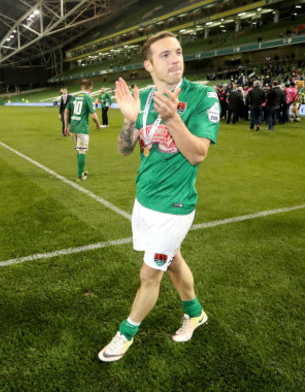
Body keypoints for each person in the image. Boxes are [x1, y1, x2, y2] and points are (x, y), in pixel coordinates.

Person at [98, 31, 219, 362]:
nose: (176, 59)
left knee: (149, 275)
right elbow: (125, 149)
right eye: (165, 55)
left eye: (178, 52)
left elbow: (197, 155)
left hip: (175, 206)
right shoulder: (146, 98)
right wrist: (129, 121)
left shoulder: (203, 96)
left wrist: (173, 118)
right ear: (148, 64)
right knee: (173, 260)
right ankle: (195, 313)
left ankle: (126, 332)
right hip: (145, 200)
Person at [64, 79, 100, 182]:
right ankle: (80, 175)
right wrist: (97, 124)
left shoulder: (74, 97)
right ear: (91, 88)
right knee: (82, 150)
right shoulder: (88, 98)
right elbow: (93, 115)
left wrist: (66, 125)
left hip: (73, 128)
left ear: (82, 87)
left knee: (79, 150)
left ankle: (81, 171)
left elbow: (66, 110)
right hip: (82, 128)